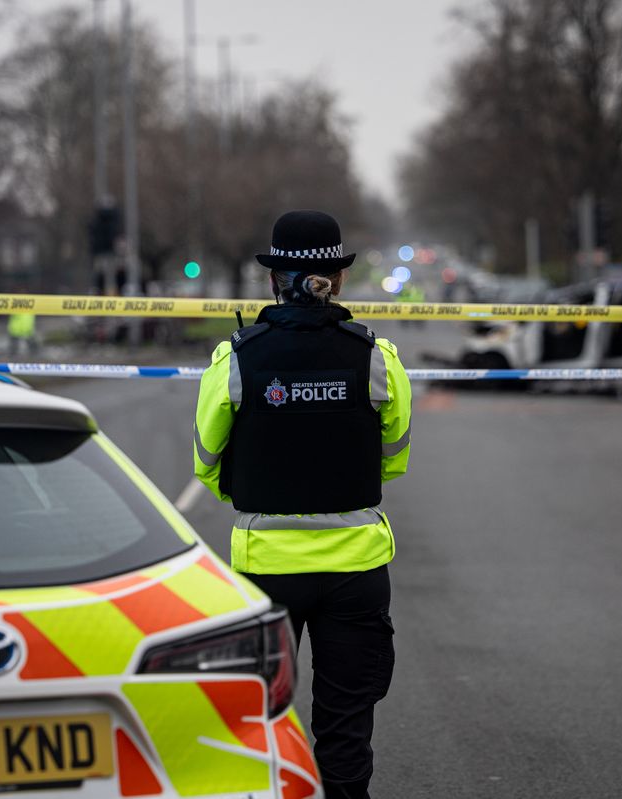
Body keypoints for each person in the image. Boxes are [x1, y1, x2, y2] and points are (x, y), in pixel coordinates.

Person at [193, 210, 412, 799]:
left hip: (265, 571)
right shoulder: (375, 357)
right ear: (337, 278)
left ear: (273, 277)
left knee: (265, 720)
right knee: (346, 729)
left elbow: (206, 463)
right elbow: (392, 454)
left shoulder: (235, 358)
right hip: (357, 572)